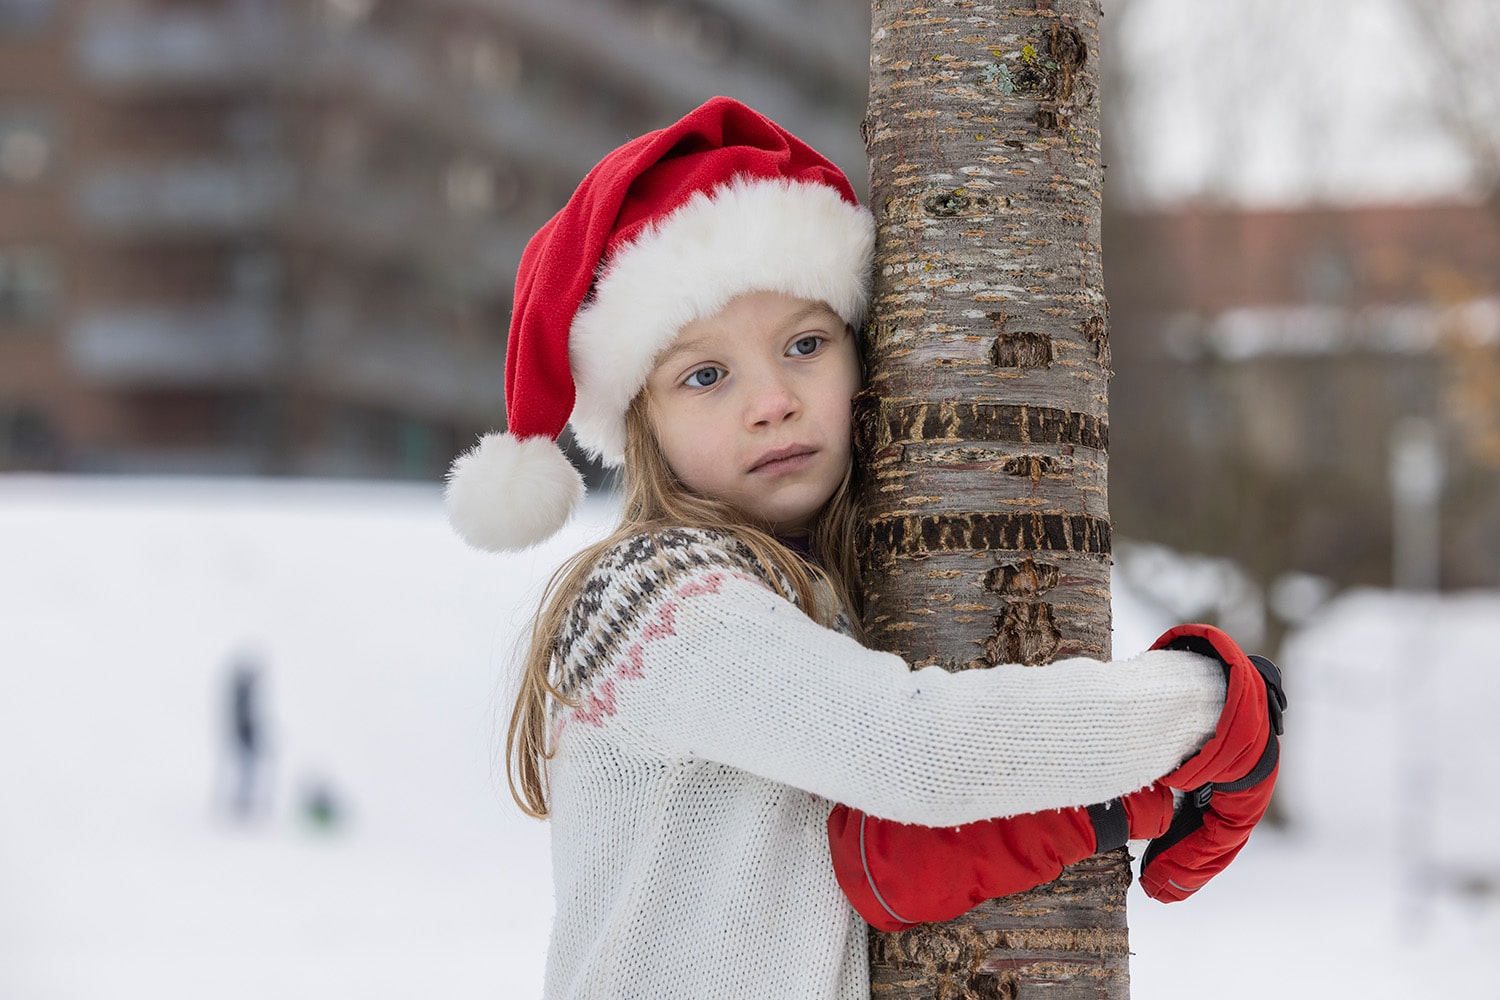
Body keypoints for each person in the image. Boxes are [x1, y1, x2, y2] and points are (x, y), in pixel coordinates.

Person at [443, 97, 1281, 1000]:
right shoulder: (651, 594)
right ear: (641, 419)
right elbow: (910, 751)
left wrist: (1123, 801)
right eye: (706, 374)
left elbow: (863, 864)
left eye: (805, 344)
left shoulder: (815, 598)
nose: (772, 399)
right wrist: (1211, 704)